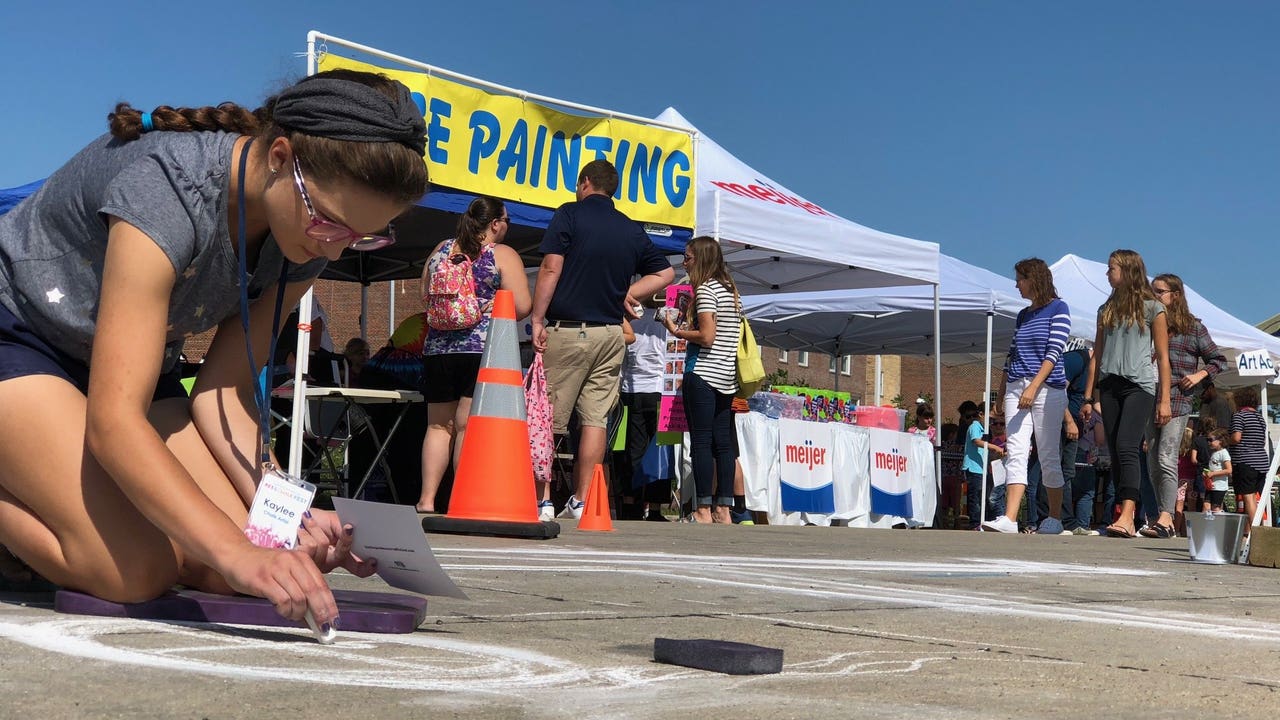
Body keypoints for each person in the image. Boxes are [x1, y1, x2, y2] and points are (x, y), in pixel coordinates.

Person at [0, 69, 429, 625]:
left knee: (257, 555)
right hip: (19, 335)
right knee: (135, 569)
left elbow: (222, 391)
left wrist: (287, 517)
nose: (337, 247)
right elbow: (113, 421)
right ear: (279, 157)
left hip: (113, 369)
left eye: (364, 235)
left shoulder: (307, 238)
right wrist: (234, 551)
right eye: (330, 222)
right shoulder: (166, 187)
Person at [530, 159, 674, 519]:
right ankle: (581, 500)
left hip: (569, 328)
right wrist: (631, 292)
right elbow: (667, 272)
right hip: (611, 334)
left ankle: (542, 499)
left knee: (547, 415)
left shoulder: (569, 214)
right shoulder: (630, 228)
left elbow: (550, 267)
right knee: (594, 419)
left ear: (585, 183)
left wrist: (535, 318)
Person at [416, 197, 531, 514]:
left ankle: (426, 499)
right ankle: (458, 500)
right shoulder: (501, 255)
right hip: (479, 349)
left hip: (437, 349)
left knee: (438, 428)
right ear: (495, 224)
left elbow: (425, 294)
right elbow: (522, 306)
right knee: (467, 427)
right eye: (506, 220)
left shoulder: (442, 249)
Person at [1082, 249, 1171, 538]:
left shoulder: (1152, 308)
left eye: (1112, 269)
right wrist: (1088, 396)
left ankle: (1129, 514)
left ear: (1129, 271)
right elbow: (1097, 354)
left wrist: (1165, 399)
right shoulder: (1104, 310)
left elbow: (1163, 356)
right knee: (1116, 452)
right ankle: (1126, 516)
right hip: (1109, 385)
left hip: (1140, 386)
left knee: (1126, 445)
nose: (1108, 274)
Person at [984, 258, 1071, 535]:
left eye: (1020, 278)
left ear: (1034, 279)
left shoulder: (1059, 308)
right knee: (1017, 450)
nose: (1016, 284)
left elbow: (1054, 350)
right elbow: (1013, 354)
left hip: (1047, 388)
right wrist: (1001, 390)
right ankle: (1009, 518)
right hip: (1015, 385)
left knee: (1047, 453)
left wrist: (1034, 387)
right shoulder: (1023, 315)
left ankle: (1054, 518)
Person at [1140, 273, 1227, 538]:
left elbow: (1218, 359)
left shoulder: (1193, 327)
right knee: (1152, 460)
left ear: (1175, 295)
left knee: (1166, 456)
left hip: (1178, 398)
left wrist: (1199, 375)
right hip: (1148, 396)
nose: (1154, 296)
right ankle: (1157, 516)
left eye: (1159, 291)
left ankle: (1166, 519)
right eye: (1152, 291)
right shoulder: (1147, 322)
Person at [661, 237, 741, 524]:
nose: (685, 262)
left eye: (689, 257)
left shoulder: (706, 290)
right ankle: (724, 508)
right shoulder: (731, 290)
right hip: (726, 376)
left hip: (703, 372)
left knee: (701, 441)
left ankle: (703, 509)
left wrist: (677, 330)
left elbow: (707, 336)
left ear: (701, 259)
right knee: (724, 444)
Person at [615, 296, 671, 522]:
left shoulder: (632, 320)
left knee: (632, 449)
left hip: (632, 389)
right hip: (661, 390)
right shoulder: (668, 323)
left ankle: (631, 502)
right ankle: (656, 507)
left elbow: (623, 358)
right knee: (662, 450)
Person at [1228, 385, 1271, 534]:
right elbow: (1262, 441)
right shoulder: (1260, 418)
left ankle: (1256, 533)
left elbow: (1236, 437)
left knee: (1247, 498)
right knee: (1254, 497)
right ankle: (1247, 533)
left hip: (1245, 460)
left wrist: (1226, 440)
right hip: (1261, 462)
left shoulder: (1239, 416)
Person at [962, 402, 1004, 529]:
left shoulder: (983, 429)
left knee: (982, 495)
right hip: (974, 467)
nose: (991, 422)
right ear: (981, 414)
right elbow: (976, 441)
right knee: (975, 496)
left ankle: (982, 520)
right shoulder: (975, 426)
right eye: (990, 419)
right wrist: (994, 447)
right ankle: (975, 522)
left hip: (981, 468)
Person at [1203, 429, 1233, 513]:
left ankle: (1218, 523)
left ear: (1220, 441)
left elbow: (1229, 470)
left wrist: (1212, 473)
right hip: (1211, 485)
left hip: (1219, 486)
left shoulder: (1224, 453)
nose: (1208, 442)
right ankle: (1207, 524)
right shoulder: (1214, 453)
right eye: (1207, 440)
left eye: (1210, 440)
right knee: (1206, 506)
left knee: (1215, 508)